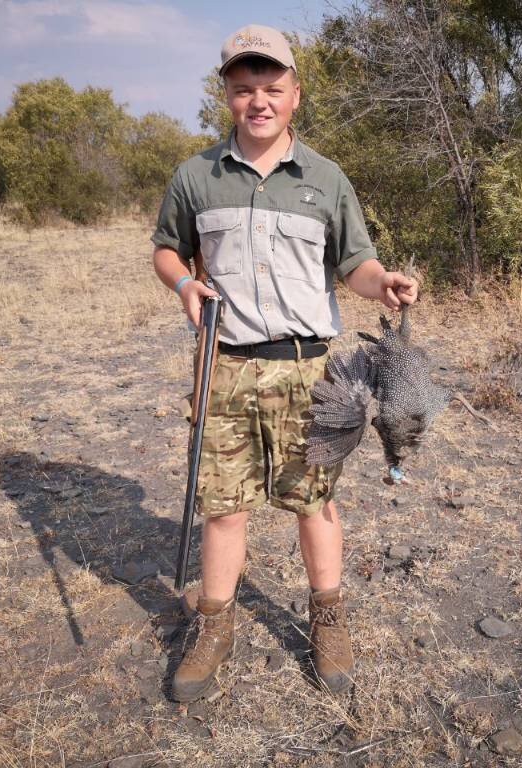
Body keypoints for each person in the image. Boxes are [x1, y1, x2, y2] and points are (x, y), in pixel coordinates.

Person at [150, 23, 418, 704]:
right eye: (244, 89)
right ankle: (213, 629)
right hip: (226, 366)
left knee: (314, 501)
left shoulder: (326, 179)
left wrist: (382, 282)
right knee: (224, 508)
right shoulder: (195, 177)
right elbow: (166, 251)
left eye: (272, 87)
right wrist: (185, 286)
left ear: (295, 93)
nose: (259, 101)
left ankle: (327, 619)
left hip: (309, 371)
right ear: (228, 96)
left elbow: (355, 263)